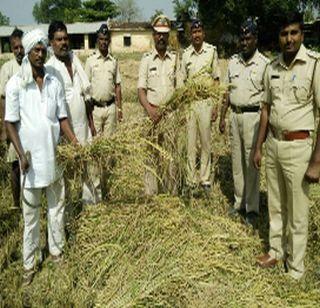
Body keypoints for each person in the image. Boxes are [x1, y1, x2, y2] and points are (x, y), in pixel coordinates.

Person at [5, 29, 78, 286]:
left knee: (56, 208)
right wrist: (20, 153)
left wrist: (76, 145)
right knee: (31, 216)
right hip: (30, 163)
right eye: (35, 50)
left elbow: (62, 119)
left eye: (42, 50)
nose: (40, 54)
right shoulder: (16, 84)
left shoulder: (54, 83)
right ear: (26, 52)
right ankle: (30, 264)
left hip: (53, 158)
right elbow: (10, 124)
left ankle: (56, 253)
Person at [252, 12, 320, 280]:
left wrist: (317, 161)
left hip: (299, 147)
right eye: (284, 34)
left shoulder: (314, 65)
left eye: (293, 33)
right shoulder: (272, 68)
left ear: (301, 35)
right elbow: (266, 110)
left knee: (298, 210)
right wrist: (259, 147)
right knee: (276, 204)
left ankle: (295, 266)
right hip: (274, 145)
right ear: (278, 38)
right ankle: (275, 250)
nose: (289, 39)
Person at [219, 18, 269, 226]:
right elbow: (227, 93)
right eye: (242, 38)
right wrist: (222, 116)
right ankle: (239, 202)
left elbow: (268, 100)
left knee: (251, 163)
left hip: (253, 117)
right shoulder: (232, 62)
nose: (244, 42)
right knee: (237, 163)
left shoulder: (264, 64)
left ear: (255, 39)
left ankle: (252, 208)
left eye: (248, 38)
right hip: (234, 115)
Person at [46, 20, 99, 204]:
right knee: (67, 177)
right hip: (64, 134)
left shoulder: (74, 58)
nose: (63, 43)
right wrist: (71, 140)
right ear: (51, 42)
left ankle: (91, 209)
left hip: (83, 127)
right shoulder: (50, 69)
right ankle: (68, 216)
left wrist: (92, 126)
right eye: (58, 39)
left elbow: (85, 96)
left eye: (65, 38)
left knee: (90, 170)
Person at [138, 15, 179, 195]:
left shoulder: (176, 60)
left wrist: (169, 110)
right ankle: (151, 194)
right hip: (151, 116)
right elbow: (141, 91)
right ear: (153, 36)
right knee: (151, 155)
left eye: (164, 34)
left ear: (168, 36)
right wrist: (150, 110)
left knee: (171, 156)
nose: (161, 38)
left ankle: (171, 192)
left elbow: (180, 90)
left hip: (170, 116)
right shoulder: (146, 60)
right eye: (158, 34)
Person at [181, 19, 221, 193]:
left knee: (205, 142)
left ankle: (204, 179)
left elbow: (216, 80)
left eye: (199, 32)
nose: (196, 35)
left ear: (203, 34)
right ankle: (190, 180)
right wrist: (182, 108)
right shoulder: (185, 54)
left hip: (206, 102)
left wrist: (215, 106)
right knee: (190, 143)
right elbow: (182, 81)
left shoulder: (211, 51)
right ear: (191, 35)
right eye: (193, 32)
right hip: (190, 103)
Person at [84, 24, 122, 200]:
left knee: (109, 152)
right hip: (96, 110)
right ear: (97, 40)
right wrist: (89, 119)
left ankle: (108, 190)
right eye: (101, 39)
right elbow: (85, 91)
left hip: (111, 109)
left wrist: (120, 109)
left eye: (106, 40)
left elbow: (117, 86)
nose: (104, 43)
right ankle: (96, 193)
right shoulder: (90, 62)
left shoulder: (114, 62)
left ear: (109, 41)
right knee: (95, 153)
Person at [0, 28, 24, 209]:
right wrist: (4, 128)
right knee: (14, 164)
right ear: (11, 48)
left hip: (29, 122)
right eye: (15, 48)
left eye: (21, 47)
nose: (19, 51)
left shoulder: (30, 65)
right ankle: (16, 204)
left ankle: (30, 200)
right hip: (13, 124)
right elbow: (2, 99)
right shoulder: (7, 69)